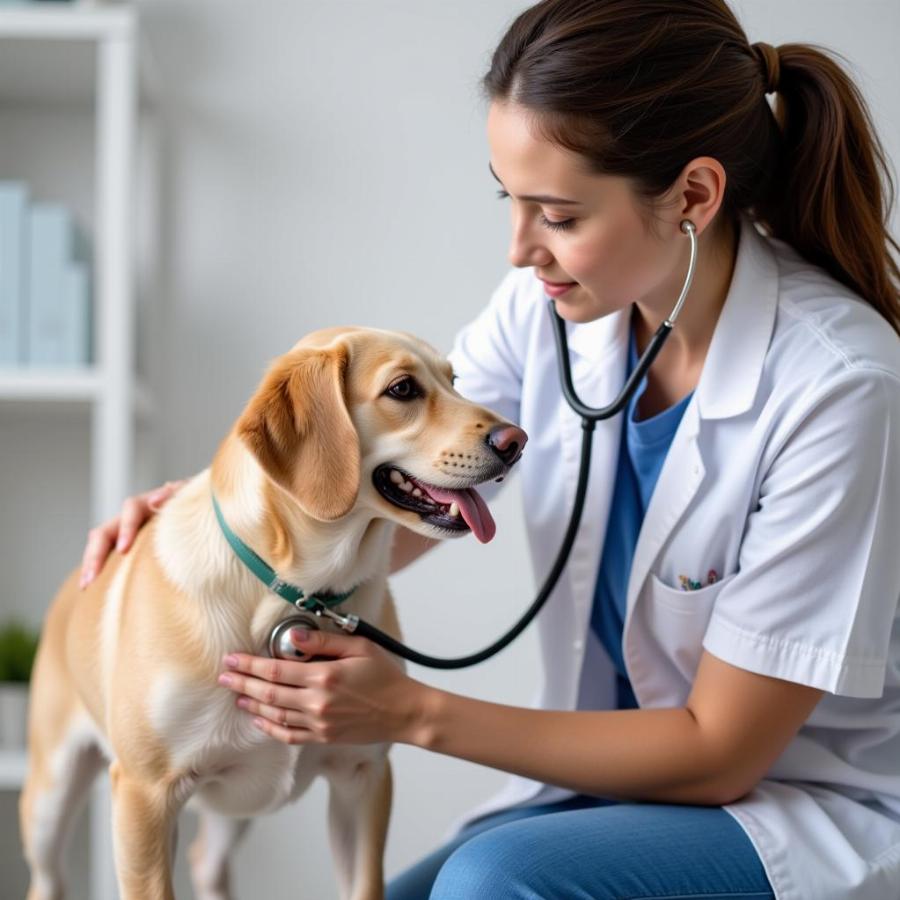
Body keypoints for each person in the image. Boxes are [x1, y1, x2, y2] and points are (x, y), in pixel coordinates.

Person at [79, 0, 900, 897]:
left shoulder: (840, 386)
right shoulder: (553, 305)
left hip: (792, 802)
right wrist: (208, 526)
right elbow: (386, 485)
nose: (520, 250)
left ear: (694, 197)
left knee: (490, 884)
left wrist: (409, 711)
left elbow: (720, 752)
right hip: (604, 787)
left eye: (557, 213)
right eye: (508, 199)